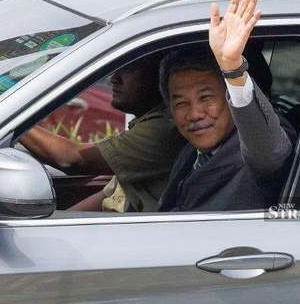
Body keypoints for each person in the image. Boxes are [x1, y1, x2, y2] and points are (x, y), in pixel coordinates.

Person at [158, 0, 296, 212]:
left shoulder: (256, 148)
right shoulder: (191, 154)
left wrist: (232, 69)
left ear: (229, 97)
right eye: (181, 103)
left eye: (206, 97)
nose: (194, 114)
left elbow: (269, 154)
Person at [20, 54, 186, 212]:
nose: (113, 78)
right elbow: (110, 196)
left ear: (159, 76)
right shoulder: (147, 125)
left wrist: (15, 120)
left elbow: (72, 159)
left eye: (127, 69)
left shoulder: (164, 128)